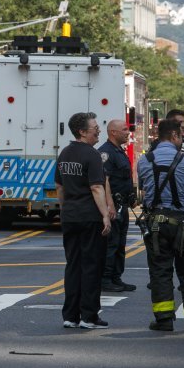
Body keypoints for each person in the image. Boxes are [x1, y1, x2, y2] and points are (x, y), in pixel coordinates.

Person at [137, 119, 184, 332]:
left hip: (157, 224)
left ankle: (164, 319)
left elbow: (143, 187)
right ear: (175, 136)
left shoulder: (144, 160)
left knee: (160, 272)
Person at [55, 112, 112, 330]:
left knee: (73, 265)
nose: (98, 130)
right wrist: (105, 215)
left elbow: (59, 187)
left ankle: (70, 315)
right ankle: (89, 316)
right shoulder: (92, 155)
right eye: (95, 127)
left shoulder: (65, 153)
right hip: (89, 216)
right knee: (91, 266)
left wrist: (65, 208)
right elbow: (97, 187)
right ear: (82, 131)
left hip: (70, 216)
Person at [98, 120, 137, 293]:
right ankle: (105, 279)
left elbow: (124, 178)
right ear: (113, 132)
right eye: (124, 130)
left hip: (122, 204)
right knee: (111, 244)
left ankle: (116, 278)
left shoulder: (118, 151)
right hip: (113, 205)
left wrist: (132, 196)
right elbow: (104, 181)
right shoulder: (106, 153)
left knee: (120, 244)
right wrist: (110, 205)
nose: (128, 132)